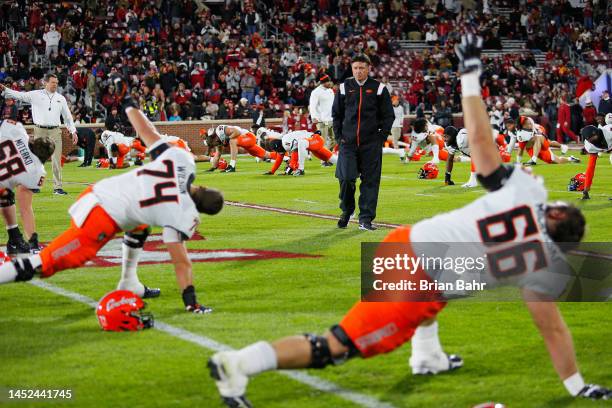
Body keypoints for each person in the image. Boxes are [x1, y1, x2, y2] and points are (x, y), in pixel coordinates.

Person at [207, 35, 611, 407]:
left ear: (554, 209)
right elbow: (553, 331)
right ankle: (238, 365)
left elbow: (482, 142)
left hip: (409, 242)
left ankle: (427, 356)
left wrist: (470, 76)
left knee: (451, 284)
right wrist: (576, 385)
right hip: (416, 270)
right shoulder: (540, 264)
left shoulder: (529, 191)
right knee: (337, 345)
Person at [0, 78, 224, 313]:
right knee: (45, 264)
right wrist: (191, 300)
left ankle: (129, 282)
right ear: (198, 209)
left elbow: (146, 130)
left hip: (102, 192)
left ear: (203, 187)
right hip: (102, 215)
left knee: (141, 225)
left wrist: (128, 103)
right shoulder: (183, 214)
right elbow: (181, 262)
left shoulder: (184, 161)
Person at [333, 54, 394, 231]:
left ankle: (365, 219)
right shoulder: (344, 87)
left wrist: (381, 138)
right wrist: (339, 137)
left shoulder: (379, 88)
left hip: (371, 144)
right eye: (355, 68)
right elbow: (336, 114)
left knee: (370, 181)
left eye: (361, 68)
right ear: (352, 69)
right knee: (345, 178)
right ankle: (347, 210)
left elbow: (388, 115)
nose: (358, 71)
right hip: (348, 143)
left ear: (368, 68)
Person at [0, 74, 77, 195]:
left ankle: (58, 187)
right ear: (45, 83)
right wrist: (5, 89)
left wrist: (73, 131)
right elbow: (19, 95)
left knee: (57, 159)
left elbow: (67, 117)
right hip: (40, 130)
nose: (55, 85)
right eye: (52, 82)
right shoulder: (35, 94)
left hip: (55, 131)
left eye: (56, 83)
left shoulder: (60, 98)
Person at [0, 119, 55, 255]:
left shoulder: (17, 129)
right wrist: (33, 240)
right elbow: (25, 209)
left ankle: (14, 239)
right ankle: (16, 240)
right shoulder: (36, 171)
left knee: (6, 195)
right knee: (6, 193)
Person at [576, 123, 611, 200]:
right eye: (590, 139)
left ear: (597, 132)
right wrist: (586, 189)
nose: (594, 140)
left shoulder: (609, 132)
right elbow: (591, 167)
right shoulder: (590, 146)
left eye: (594, 137)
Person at [308, 74, 335, 149]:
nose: (330, 83)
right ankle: (323, 160)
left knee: (334, 139)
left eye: (330, 81)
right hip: (321, 120)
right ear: (323, 83)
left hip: (331, 119)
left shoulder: (330, 91)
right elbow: (312, 105)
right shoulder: (316, 92)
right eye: (328, 82)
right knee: (323, 141)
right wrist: (314, 117)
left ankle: (328, 156)